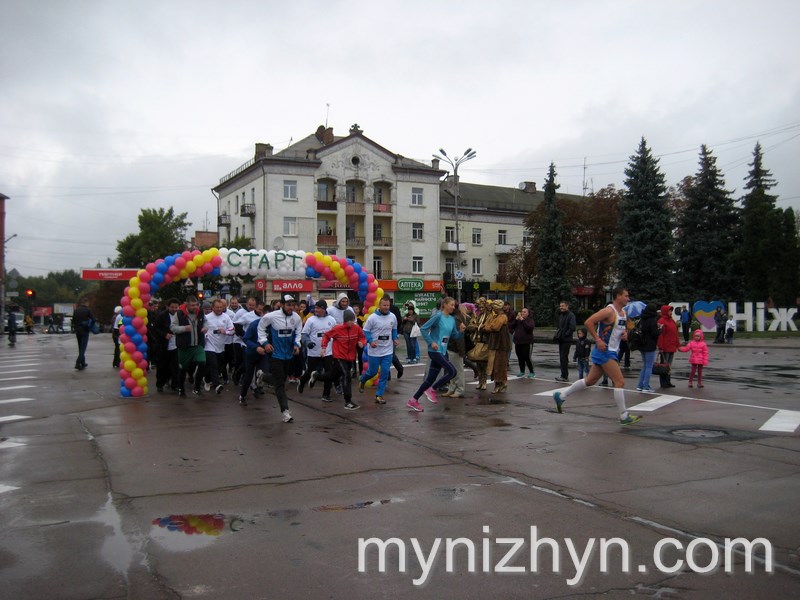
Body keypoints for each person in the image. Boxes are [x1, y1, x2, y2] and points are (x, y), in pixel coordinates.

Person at [553, 287, 642, 426]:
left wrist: (624, 334)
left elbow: (620, 329)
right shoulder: (608, 311)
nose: (628, 298)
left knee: (590, 381)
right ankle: (624, 416)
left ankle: (561, 396)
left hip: (612, 350)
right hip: (605, 351)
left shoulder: (623, 313)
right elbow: (588, 322)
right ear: (618, 296)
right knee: (619, 382)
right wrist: (598, 340)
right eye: (626, 296)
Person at [407, 296, 464, 412]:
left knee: (429, 380)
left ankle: (413, 400)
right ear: (445, 305)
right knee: (452, 372)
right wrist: (431, 342)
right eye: (451, 305)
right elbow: (423, 329)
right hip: (434, 350)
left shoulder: (452, 320)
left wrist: (461, 331)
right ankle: (432, 389)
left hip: (442, 351)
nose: (453, 307)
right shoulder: (438, 316)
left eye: (454, 305)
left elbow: (455, 336)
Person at [257, 294, 302, 423]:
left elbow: (299, 332)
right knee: (280, 384)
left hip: (288, 355)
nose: (291, 308)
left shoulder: (296, 317)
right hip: (275, 354)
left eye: (293, 305)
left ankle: (262, 377)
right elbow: (260, 329)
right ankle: (285, 412)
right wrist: (265, 343)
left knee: (281, 380)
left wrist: (297, 344)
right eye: (288, 305)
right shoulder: (271, 316)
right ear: (282, 304)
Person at [312, 310, 366, 410]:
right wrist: (324, 348)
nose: (351, 322)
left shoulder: (357, 328)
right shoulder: (338, 328)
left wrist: (361, 342)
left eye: (352, 320)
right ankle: (348, 401)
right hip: (339, 356)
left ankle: (316, 376)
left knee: (332, 376)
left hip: (350, 357)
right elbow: (326, 336)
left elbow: (363, 337)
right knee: (346, 375)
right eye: (349, 320)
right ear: (345, 321)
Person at [358, 297, 399, 405]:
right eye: (384, 305)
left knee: (385, 373)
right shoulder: (372, 318)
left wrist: (395, 338)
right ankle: (362, 380)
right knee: (372, 372)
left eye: (388, 305)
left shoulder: (393, 316)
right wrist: (370, 341)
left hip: (387, 350)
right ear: (379, 306)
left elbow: (394, 329)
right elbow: (365, 331)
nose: (386, 307)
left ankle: (379, 395)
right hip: (375, 351)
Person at [298, 299, 337, 401]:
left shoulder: (331, 320)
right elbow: (304, 334)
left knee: (329, 373)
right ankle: (302, 381)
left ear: (323, 309)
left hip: (327, 351)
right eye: (315, 308)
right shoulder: (311, 320)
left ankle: (326, 394)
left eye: (318, 308)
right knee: (310, 371)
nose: (316, 310)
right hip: (314, 351)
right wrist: (308, 343)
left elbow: (336, 334)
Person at [172, 296, 207, 397]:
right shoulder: (179, 314)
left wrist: (205, 327)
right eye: (192, 305)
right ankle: (181, 389)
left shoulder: (200, 312)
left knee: (202, 362)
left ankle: (196, 387)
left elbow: (205, 321)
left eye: (196, 305)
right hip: (184, 346)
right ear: (187, 304)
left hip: (197, 345)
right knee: (182, 369)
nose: (195, 307)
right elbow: (173, 327)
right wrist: (183, 328)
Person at [237, 301, 267, 406]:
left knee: (263, 371)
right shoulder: (254, 325)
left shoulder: (272, 326)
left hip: (263, 354)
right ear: (262, 314)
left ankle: (259, 382)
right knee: (248, 377)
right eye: (265, 315)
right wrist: (256, 347)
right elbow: (246, 338)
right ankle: (243, 395)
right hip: (251, 353)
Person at [202, 299, 235, 394]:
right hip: (209, 345)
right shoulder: (206, 317)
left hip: (220, 346)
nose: (219, 309)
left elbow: (232, 330)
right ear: (213, 308)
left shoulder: (226, 317)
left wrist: (226, 332)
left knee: (218, 366)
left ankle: (207, 379)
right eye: (217, 307)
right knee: (213, 365)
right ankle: (217, 385)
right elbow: (202, 329)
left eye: (221, 307)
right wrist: (205, 335)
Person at [152, 298, 181, 393]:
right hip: (164, 345)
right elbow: (155, 329)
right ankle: (160, 384)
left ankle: (175, 385)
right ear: (168, 307)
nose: (174, 309)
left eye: (176, 307)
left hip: (176, 345)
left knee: (175, 366)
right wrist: (164, 335)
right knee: (162, 366)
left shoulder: (181, 315)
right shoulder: (161, 316)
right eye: (172, 307)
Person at [483, 299, 511, 394]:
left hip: (501, 345)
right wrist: (489, 325)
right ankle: (498, 384)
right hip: (495, 344)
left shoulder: (502, 317)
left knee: (499, 365)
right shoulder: (496, 316)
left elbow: (495, 327)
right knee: (494, 365)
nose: (492, 309)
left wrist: (489, 326)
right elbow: (486, 326)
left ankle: (501, 383)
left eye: (494, 307)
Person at [442, 302, 468, 399]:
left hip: (455, 348)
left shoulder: (456, 318)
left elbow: (460, 336)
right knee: (451, 370)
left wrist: (461, 350)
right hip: (450, 347)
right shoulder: (452, 317)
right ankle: (452, 388)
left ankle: (460, 390)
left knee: (458, 370)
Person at [635, 303, 660, 393]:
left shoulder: (642, 319)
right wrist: (659, 330)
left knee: (645, 366)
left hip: (641, 344)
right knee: (649, 366)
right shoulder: (652, 320)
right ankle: (646, 386)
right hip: (650, 345)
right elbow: (655, 333)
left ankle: (640, 385)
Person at [656, 305, 679, 389]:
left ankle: (668, 381)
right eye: (669, 311)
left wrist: (677, 344)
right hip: (665, 347)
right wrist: (660, 347)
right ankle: (663, 382)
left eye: (671, 311)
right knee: (664, 365)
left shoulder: (672, 321)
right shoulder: (661, 321)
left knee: (669, 366)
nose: (670, 312)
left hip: (671, 346)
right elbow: (660, 335)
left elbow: (675, 333)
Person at [509, 306, 535, 378]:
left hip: (527, 342)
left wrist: (522, 320)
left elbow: (529, 328)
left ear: (528, 313)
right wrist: (515, 320)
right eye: (522, 312)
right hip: (518, 342)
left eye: (524, 312)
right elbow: (511, 326)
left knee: (527, 357)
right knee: (520, 357)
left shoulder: (530, 320)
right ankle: (522, 371)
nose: (522, 313)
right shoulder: (518, 320)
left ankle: (532, 372)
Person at [554, 300, 576, 382]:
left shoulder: (571, 315)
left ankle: (564, 376)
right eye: (560, 306)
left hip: (566, 340)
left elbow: (572, 327)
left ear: (567, 306)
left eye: (563, 306)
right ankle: (563, 375)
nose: (561, 307)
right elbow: (559, 327)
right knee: (562, 358)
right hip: (561, 340)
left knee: (563, 357)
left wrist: (565, 334)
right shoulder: (561, 315)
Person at [73, 298, 95, 370]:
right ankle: (77, 362)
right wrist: (90, 325)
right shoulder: (87, 310)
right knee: (83, 348)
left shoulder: (76, 310)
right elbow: (93, 319)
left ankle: (82, 362)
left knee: (80, 347)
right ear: (86, 303)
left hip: (77, 330)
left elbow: (73, 320)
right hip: (84, 330)